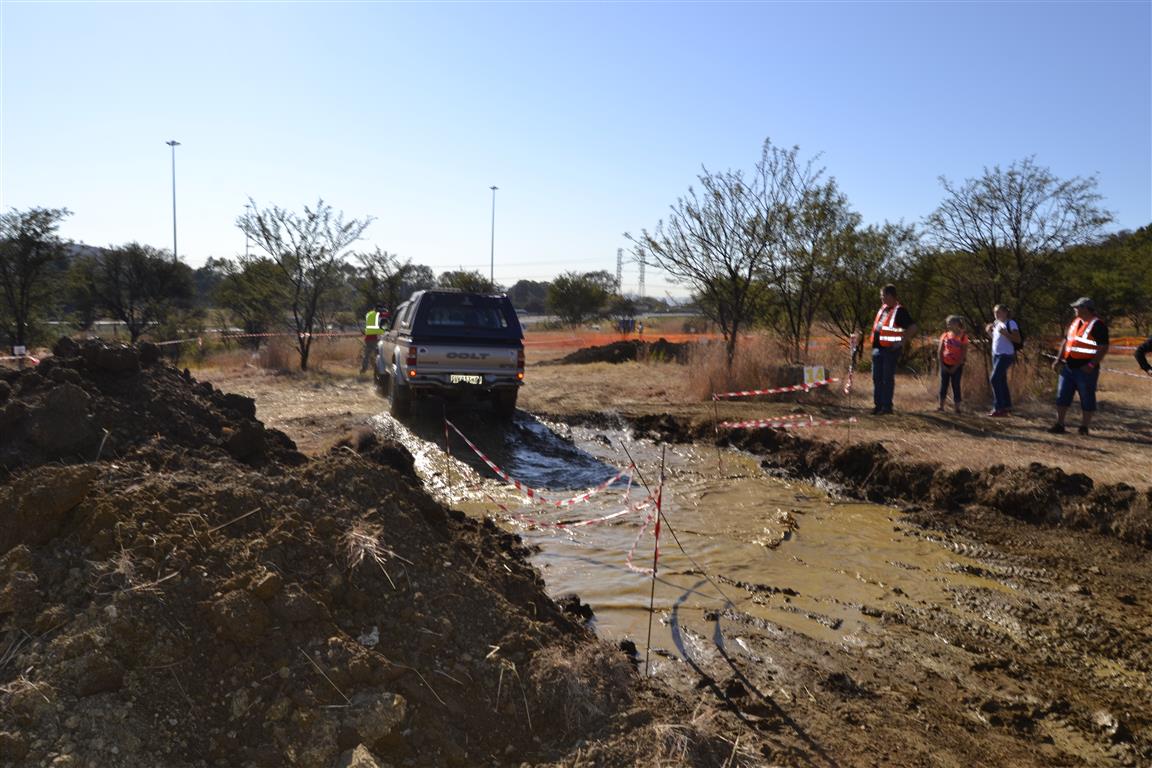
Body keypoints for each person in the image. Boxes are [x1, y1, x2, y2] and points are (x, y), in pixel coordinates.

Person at [1050, 297, 1109, 435]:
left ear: (1086, 309)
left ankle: (1084, 427)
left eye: (1077, 307)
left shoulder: (1098, 325)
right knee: (1062, 395)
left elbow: (1103, 347)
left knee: (1087, 397)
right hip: (1068, 367)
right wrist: (1058, 359)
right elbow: (1066, 341)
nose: (1075, 309)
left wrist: (1091, 364)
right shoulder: (1075, 322)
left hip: (1086, 370)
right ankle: (1059, 424)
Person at [870, 284, 916, 415]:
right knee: (876, 378)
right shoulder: (883, 309)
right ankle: (878, 406)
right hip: (877, 349)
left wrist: (901, 342)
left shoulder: (899, 310)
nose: (881, 298)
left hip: (890, 350)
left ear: (890, 295)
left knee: (886, 378)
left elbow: (913, 327)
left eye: (883, 295)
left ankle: (886, 407)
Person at [985, 304, 1021, 416]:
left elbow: (1017, 339)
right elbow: (997, 339)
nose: (996, 314)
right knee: (1001, 380)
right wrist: (989, 332)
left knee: (995, 379)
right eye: (995, 312)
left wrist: (1006, 333)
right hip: (996, 354)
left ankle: (999, 408)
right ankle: (1007, 405)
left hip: (1006, 355)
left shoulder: (1011, 323)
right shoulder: (996, 323)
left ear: (1005, 313)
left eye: (999, 312)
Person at [937, 315, 968, 413]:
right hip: (945, 364)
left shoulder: (963, 336)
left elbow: (963, 353)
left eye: (951, 323)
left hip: (957, 365)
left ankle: (957, 408)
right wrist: (942, 364)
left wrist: (956, 366)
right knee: (943, 385)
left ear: (957, 324)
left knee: (956, 385)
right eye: (948, 323)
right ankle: (941, 406)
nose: (949, 325)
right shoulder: (945, 335)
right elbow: (940, 350)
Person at [361, 303, 388, 374]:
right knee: (379, 355)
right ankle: (378, 371)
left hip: (368, 337)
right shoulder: (381, 315)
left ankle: (363, 370)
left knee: (367, 355)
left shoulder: (368, 314)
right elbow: (384, 326)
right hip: (377, 337)